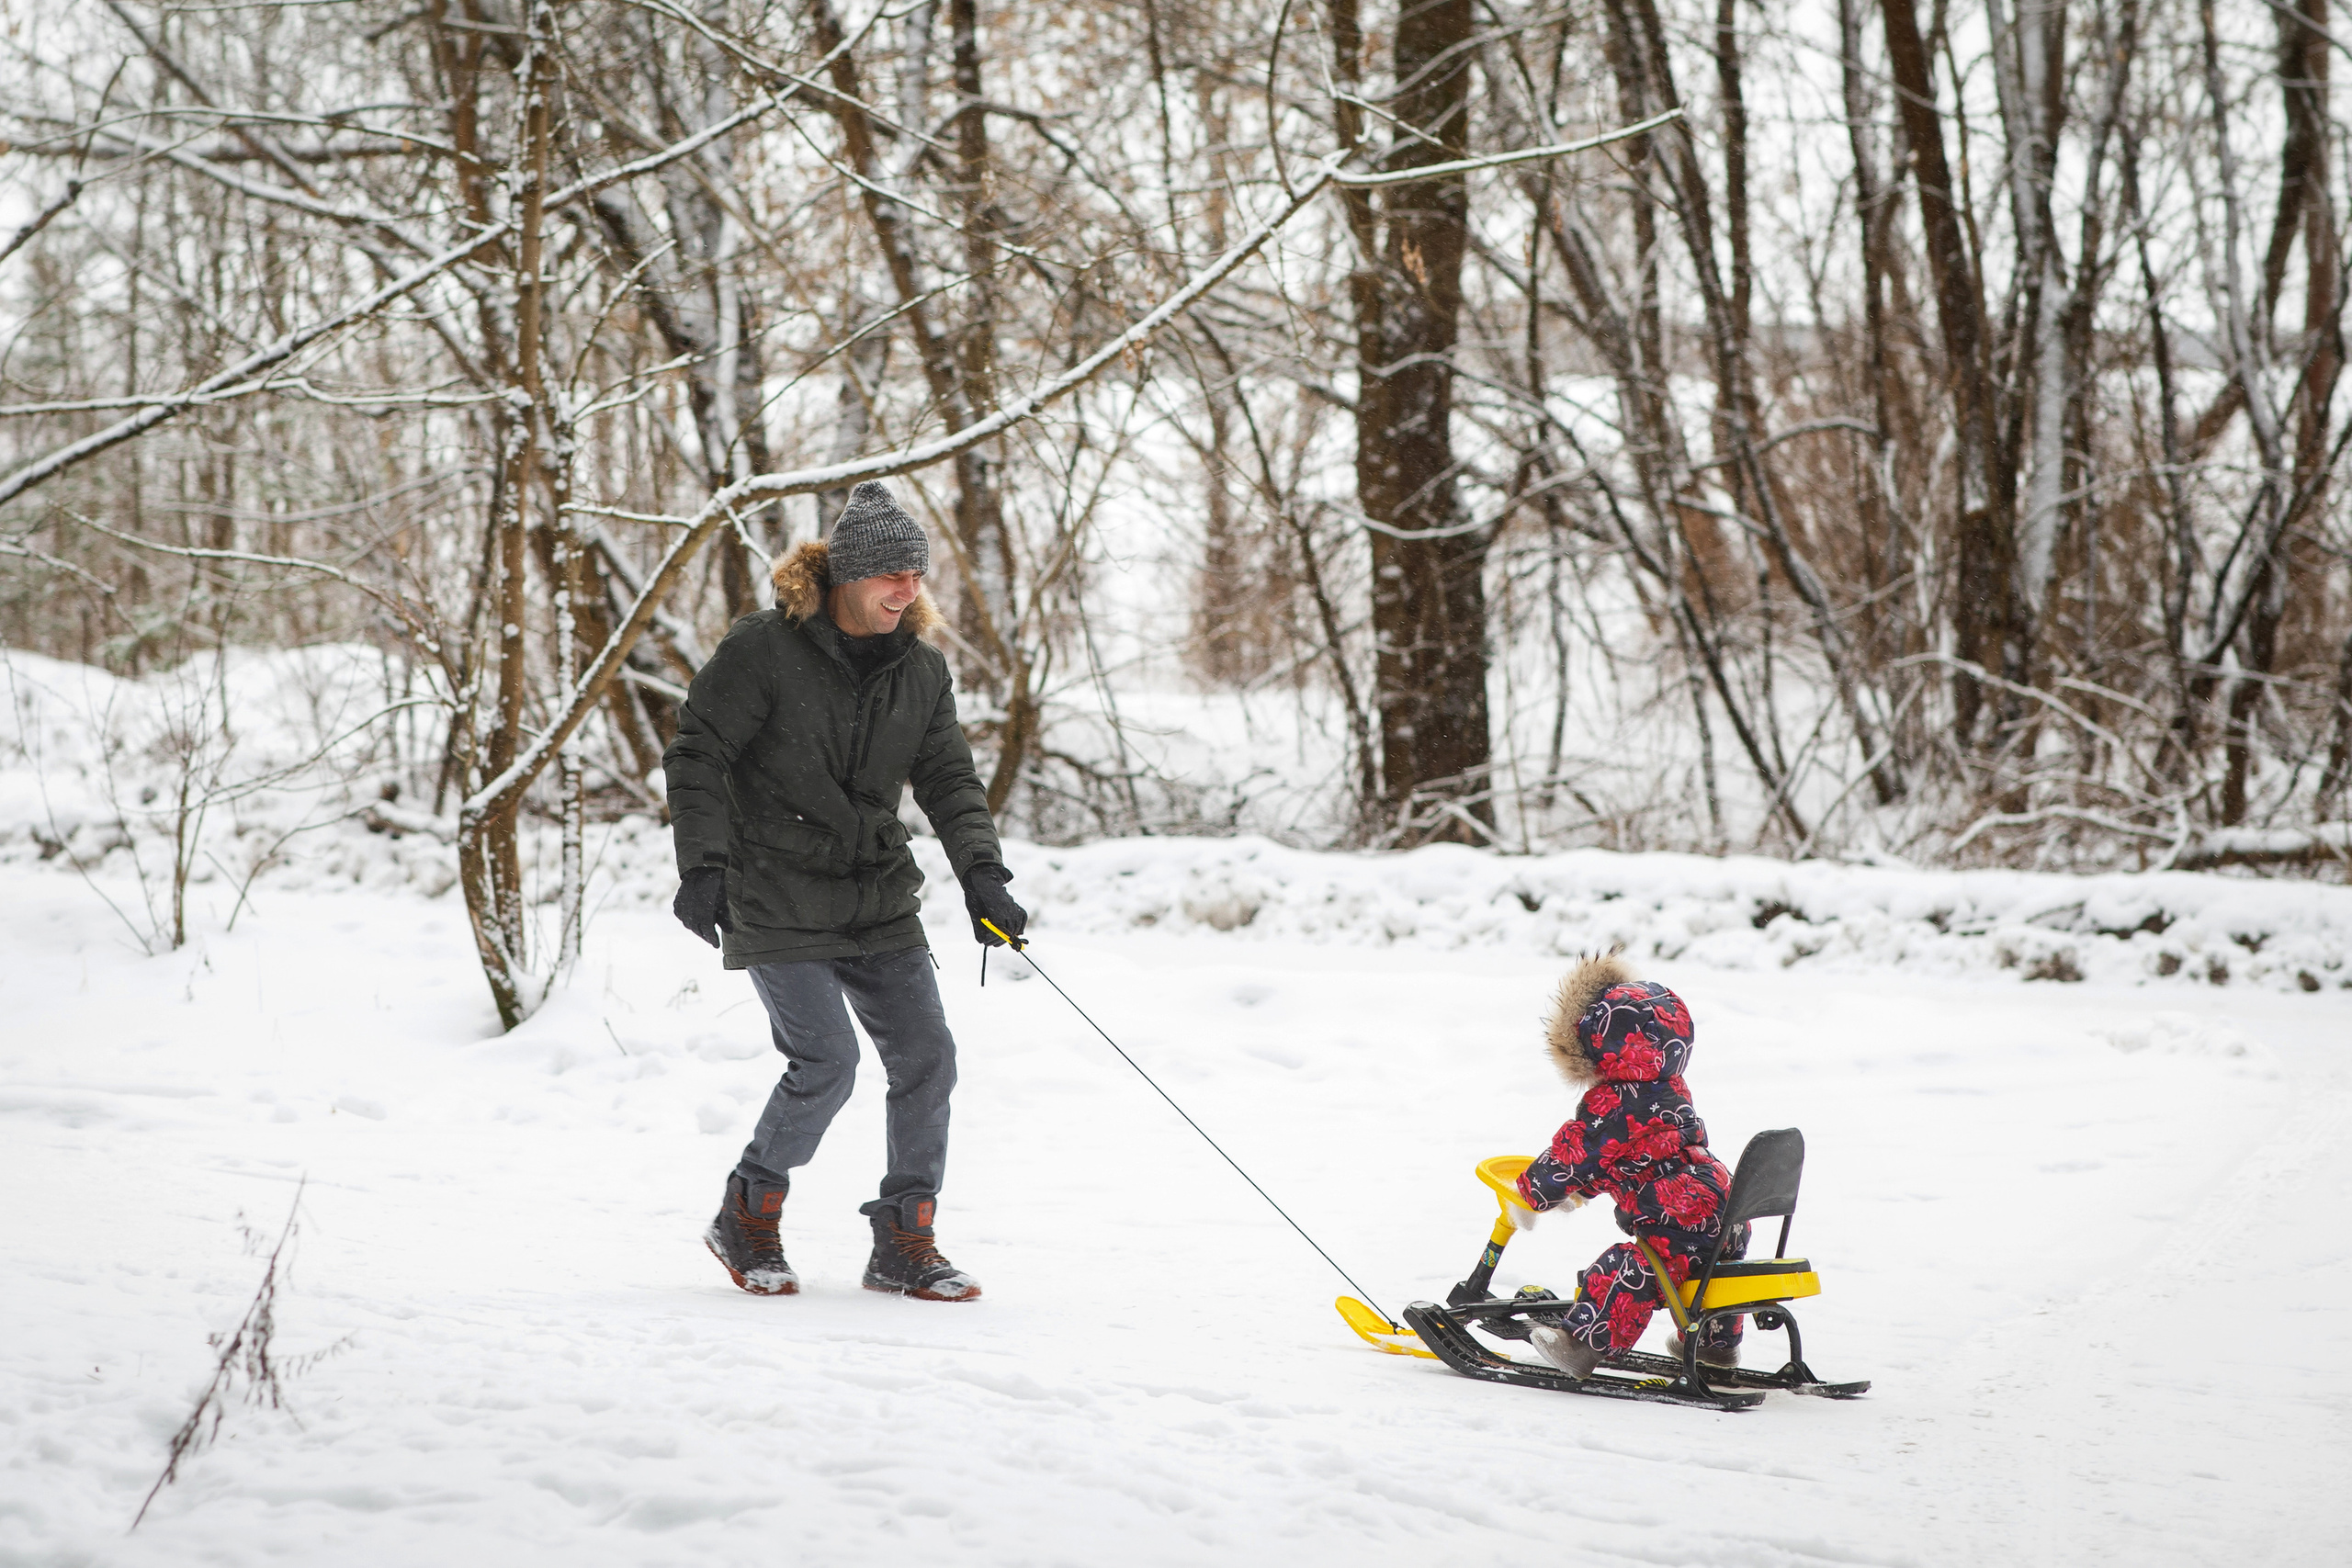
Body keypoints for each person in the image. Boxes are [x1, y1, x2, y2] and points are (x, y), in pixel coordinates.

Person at [662, 480, 1027, 1303]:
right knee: (827, 1060)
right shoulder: (765, 648)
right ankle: (748, 1211)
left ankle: (905, 1239)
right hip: (775, 887)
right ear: (846, 580)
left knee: (928, 1056)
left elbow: (948, 778)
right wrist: (703, 863)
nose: (909, 590)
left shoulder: (921, 670)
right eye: (892, 574)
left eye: (917, 574)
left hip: (876, 894)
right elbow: (697, 753)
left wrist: (983, 875)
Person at [1509, 952, 1747, 1376]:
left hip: (1676, 1209)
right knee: (1711, 1269)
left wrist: (1532, 1193)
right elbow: (1637, 1153)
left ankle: (1580, 1347)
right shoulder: (1672, 1086)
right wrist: (1584, 1189)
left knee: (1632, 1267)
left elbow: (1577, 1152)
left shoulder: (1615, 1100)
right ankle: (1716, 1346)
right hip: (1723, 1200)